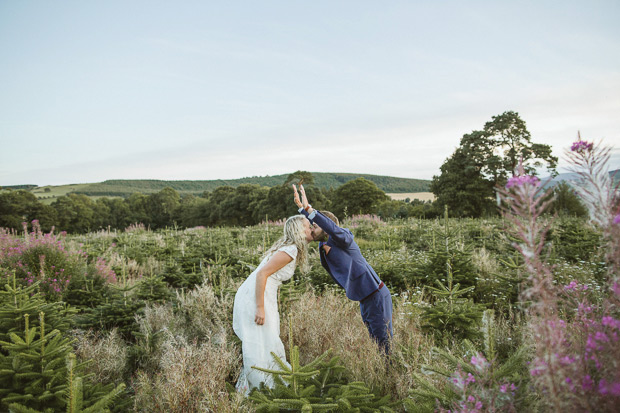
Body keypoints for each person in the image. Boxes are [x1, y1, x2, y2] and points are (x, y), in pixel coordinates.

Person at [293, 184, 393, 354]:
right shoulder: (323, 246)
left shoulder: (344, 238)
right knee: (375, 340)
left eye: (315, 226)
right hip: (364, 299)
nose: (311, 229)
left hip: (375, 293)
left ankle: (392, 374)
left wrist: (309, 208)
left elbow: (332, 228)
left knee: (384, 343)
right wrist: (302, 210)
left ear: (326, 227)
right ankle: (385, 372)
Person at [232, 215, 313, 394]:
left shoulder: (290, 248)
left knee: (267, 340)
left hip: (261, 294)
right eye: (308, 226)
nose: (311, 229)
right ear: (299, 231)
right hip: (255, 297)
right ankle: (259, 390)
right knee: (260, 342)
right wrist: (260, 308)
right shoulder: (290, 250)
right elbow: (262, 275)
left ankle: (265, 386)